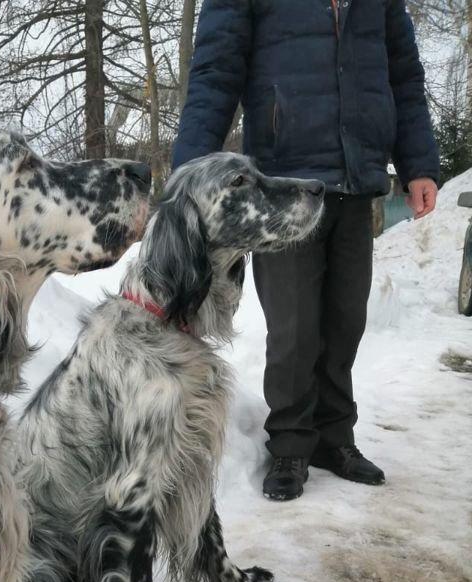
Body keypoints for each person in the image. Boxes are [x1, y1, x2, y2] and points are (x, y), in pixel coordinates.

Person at [172, 0, 439, 501]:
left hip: (357, 177)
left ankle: (335, 438)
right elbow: (215, 73)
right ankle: (291, 444)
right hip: (283, 184)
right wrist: (190, 170)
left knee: (345, 318)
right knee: (294, 325)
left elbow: (403, 72)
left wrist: (418, 162)